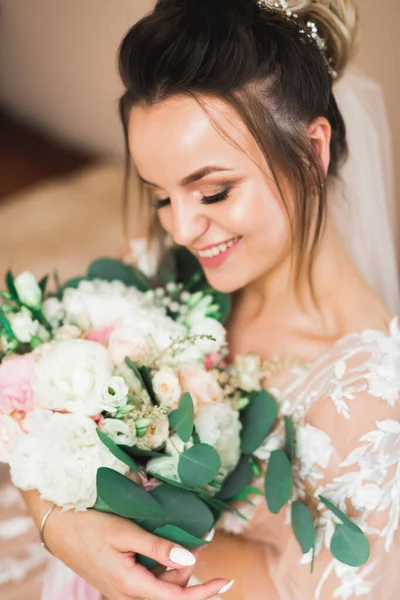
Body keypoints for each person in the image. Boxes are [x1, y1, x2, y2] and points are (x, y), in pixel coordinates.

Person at [17, 0, 400, 599]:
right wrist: (60, 526)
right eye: (162, 197)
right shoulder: (170, 271)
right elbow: (35, 418)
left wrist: (109, 538)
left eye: (213, 192)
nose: (181, 230)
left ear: (311, 151)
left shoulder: (369, 401)